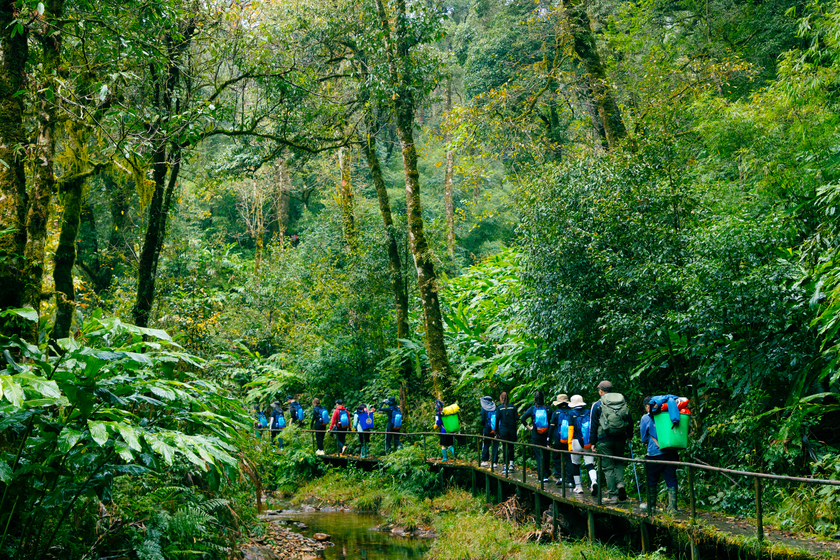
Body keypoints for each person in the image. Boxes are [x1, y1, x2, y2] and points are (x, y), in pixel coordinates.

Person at [590, 380, 633, 504]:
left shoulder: (597, 405)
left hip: (604, 439)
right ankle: (620, 485)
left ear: (601, 391)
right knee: (619, 462)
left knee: (608, 467)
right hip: (620, 438)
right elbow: (629, 420)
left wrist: (593, 442)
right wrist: (629, 436)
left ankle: (612, 495)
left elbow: (593, 425)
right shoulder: (621, 403)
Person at [640, 396, 680, 513]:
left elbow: (643, 438)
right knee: (671, 479)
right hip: (672, 453)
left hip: (654, 454)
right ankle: (672, 508)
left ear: (648, 406)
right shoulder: (670, 415)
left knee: (652, 480)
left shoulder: (646, 418)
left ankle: (651, 505)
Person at [568, 395, 598, 495]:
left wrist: (569, 445)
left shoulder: (571, 413)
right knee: (590, 464)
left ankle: (578, 487)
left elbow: (570, 430)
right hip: (587, 441)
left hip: (576, 441)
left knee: (575, 464)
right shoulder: (588, 412)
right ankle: (593, 481)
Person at [520, 390, 553, 482]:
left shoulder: (532, 409)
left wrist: (529, 427)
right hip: (546, 435)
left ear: (534, 399)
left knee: (539, 456)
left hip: (536, 435)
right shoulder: (548, 409)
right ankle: (546, 475)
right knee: (546, 454)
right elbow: (553, 421)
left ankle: (541, 477)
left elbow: (522, 419)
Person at [549, 394, 575, 488]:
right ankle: (570, 480)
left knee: (557, 458)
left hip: (558, 440)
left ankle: (559, 477)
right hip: (569, 441)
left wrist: (548, 441)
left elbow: (551, 428)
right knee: (569, 459)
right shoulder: (572, 413)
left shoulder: (556, 413)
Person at [497, 391, 519, 475]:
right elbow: (517, 418)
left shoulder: (499, 408)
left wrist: (496, 432)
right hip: (512, 430)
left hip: (503, 430)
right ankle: (511, 464)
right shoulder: (513, 407)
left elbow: (497, 420)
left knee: (504, 447)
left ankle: (505, 466)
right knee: (511, 447)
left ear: (501, 399)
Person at [480, 395, 499, 467]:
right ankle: (494, 462)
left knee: (486, 444)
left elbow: (482, 420)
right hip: (495, 430)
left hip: (487, 429)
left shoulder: (484, 409)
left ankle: (485, 460)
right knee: (495, 445)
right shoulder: (495, 408)